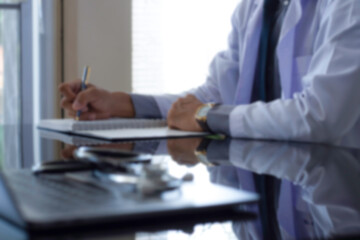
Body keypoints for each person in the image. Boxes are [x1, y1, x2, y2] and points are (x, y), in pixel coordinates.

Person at [59, 0, 360, 147]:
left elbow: (321, 116)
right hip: (265, 181)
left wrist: (206, 115)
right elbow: (213, 95)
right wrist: (120, 104)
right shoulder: (254, 8)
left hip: (335, 188)